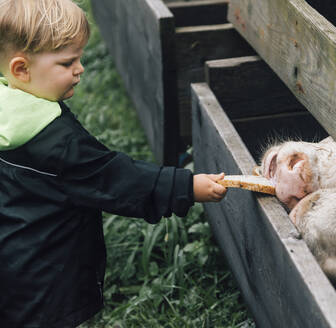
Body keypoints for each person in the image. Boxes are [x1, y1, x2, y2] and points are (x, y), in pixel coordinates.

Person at [0, 0, 227, 326]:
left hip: (12, 267)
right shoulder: (55, 141)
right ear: (21, 69)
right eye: (67, 63)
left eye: (79, 58)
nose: (80, 69)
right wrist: (187, 185)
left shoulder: (7, 111)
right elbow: (114, 177)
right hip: (48, 277)